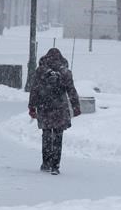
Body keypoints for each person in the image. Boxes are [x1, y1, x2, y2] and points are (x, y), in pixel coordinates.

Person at [27, 47, 81, 175]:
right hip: (59, 108)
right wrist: (76, 106)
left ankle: (46, 163)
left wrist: (32, 107)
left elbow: (34, 90)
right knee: (58, 136)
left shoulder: (40, 71)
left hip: (44, 107)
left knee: (46, 135)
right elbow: (71, 90)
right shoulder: (65, 72)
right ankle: (55, 166)